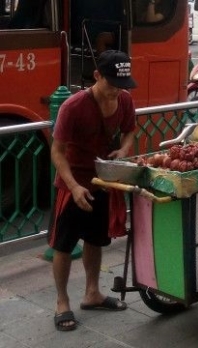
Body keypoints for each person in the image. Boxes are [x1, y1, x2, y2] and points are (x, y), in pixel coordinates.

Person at [49, 50, 138, 331]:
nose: (117, 91)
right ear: (97, 76)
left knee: (95, 239)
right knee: (63, 244)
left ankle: (92, 293)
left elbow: (129, 131)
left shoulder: (124, 99)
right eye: (111, 83)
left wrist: (124, 149)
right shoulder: (74, 106)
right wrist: (74, 186)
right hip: (72, 183)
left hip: (103, 180)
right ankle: (62, 302)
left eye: (121, 85)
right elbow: (57, 151)